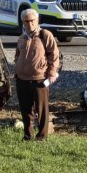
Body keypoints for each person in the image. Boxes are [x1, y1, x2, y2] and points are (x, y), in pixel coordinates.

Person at [14, 8, 60, 141]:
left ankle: (41, 137)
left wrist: (51, 73)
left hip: (39, 79)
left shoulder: (44, 35)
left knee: (42, 110)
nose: (29, 24)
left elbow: (54, 54)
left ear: (37, 20)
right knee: (26, 110)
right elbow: (17, 56)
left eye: (32, 20)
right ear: (23, 22)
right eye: (26, 21)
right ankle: (28, 136)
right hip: (22, 80)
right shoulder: (21, 38)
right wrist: (17, 72)